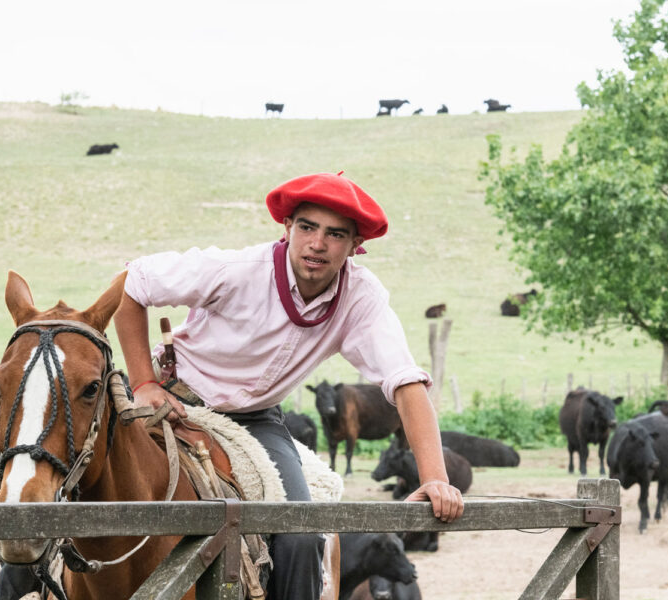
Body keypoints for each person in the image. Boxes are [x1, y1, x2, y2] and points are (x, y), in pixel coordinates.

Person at [113, 171, 463, 600]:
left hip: (255, 420)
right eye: (307, 227)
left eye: (335, 234)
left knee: (301, 534)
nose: (318, 243)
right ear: (287, 228)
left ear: (356, 245)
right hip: (174, 400)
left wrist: (435, 478)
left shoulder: (361, 297)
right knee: (79, 484)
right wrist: (144, 383)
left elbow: (406, 381)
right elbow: (132, 283)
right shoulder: (235, 270)